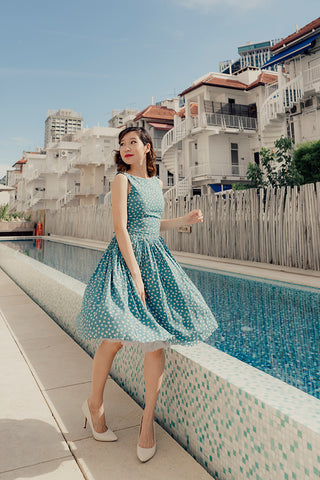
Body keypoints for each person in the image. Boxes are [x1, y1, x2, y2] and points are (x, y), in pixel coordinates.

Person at [76, 126, 218, 462]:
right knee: (113, 339)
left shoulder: (156, 184)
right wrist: (135, 274)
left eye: (132, 142)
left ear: (147, 148)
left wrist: (181, 220)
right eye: (122, 143)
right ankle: (94, 405)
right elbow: (121, 227)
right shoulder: (121, 180)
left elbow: (152, 223)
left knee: (156, 344)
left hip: (157, 260)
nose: (126, 147)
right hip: (128, 261)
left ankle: (147, 422)